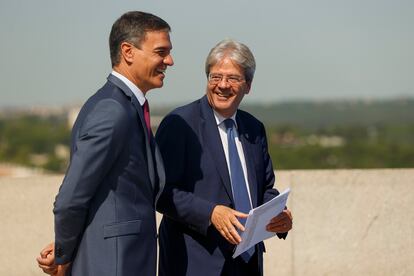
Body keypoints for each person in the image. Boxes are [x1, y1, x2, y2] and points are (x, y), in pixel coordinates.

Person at [36, 11, 173, 276]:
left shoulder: (123, 105)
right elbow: (71, 198)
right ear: (128, 52)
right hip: (115, 265)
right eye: (160, 52)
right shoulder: (112, 110)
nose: (169, 60)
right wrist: (65, 255)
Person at [155, 39, 292, 276]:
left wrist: (278, 215)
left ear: (248, 85)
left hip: (247, 264)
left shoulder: (254, 128)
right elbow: (161, 193)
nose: (222, 85)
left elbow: (265, 188)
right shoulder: (180, 125)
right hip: (195, 265)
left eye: (232, 78)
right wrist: (211, 213)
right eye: (215, 77)